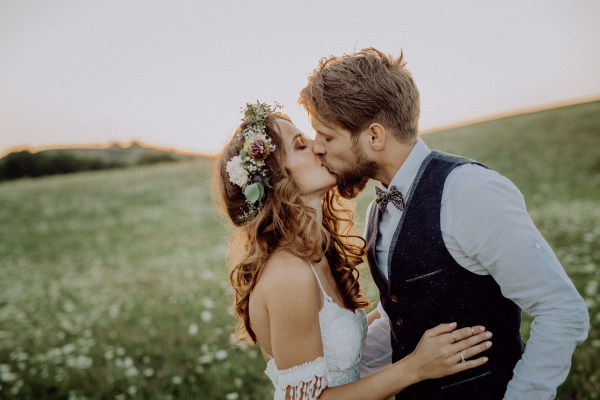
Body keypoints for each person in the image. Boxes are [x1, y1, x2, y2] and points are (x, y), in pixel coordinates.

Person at [299, 48, 590, 400]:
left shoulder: (468, 191)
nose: (317, 148)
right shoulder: (379, 209)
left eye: (327, 137)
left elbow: (562, 310)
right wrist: (343, 374)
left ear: (374, 137)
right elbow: (401, 316)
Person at [214, 102, 493, 400]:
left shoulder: (314, 253)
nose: (318, 147)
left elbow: (340, 342)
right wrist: (416, 367)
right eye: (300, 146)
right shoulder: (288, 275)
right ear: (275, 179)